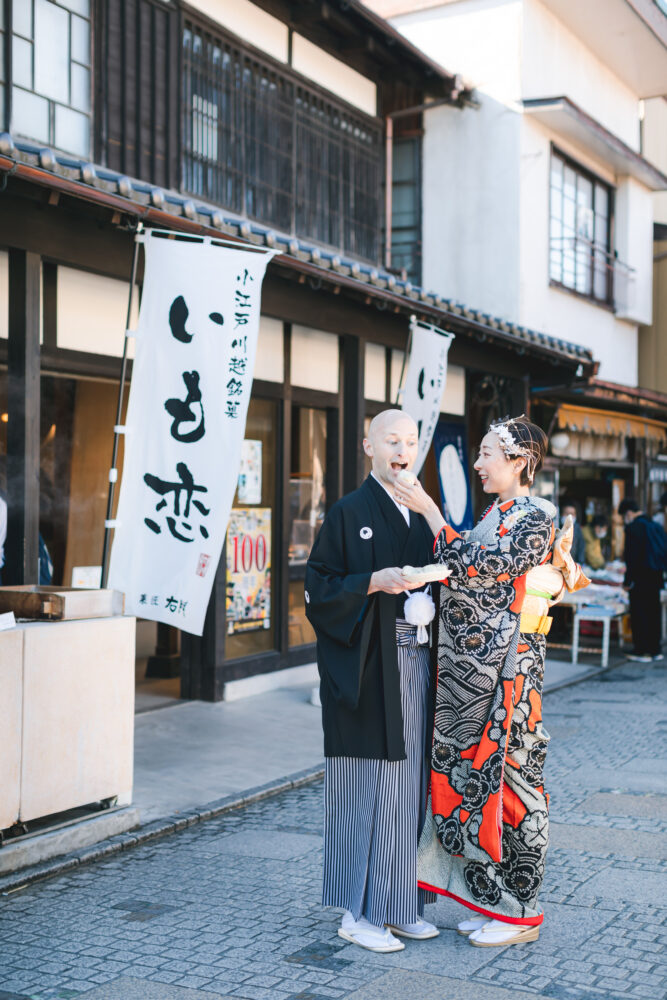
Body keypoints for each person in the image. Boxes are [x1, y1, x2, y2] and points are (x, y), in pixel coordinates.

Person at [395, 415, 587, 948]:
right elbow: (467, 568)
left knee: (515, 784)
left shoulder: (538, 515)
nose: (477, 464)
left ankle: (521, 908)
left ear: (519, 462)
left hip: (511, 673)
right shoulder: (500, 511)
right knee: (480, 782)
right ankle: (491, 899)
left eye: (486, 454)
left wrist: (433, 515)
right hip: (481, 669)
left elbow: (482, 567)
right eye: (477, 453)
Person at [305, 409, 440, 953]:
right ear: (369, 446)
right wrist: (370, 582)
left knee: (408, 790)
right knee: (363, 791)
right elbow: (318, 586)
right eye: (392, 440)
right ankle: (357, 912)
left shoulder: (420, 511)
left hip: (414, 664)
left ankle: (399, 904)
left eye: (410, 440)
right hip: (364, 670)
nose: (403, 449)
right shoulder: (349, 511)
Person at [618, 498, 666, 663]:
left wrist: (627, 581)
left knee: (639, 613)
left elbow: (632, 558)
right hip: (656, 577)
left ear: (629, 513)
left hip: (639, 578)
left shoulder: (633, 528)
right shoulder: (656, 527)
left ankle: (641, 651)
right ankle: (655, 650)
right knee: (654, 612)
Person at [561, 499, 586, 565]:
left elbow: (581, 547)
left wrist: (580, 564)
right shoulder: (555, 528)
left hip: (572, 565)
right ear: (561, 514)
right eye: (566, 513)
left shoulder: (577, 529)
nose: (569, 516)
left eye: (572, 514)